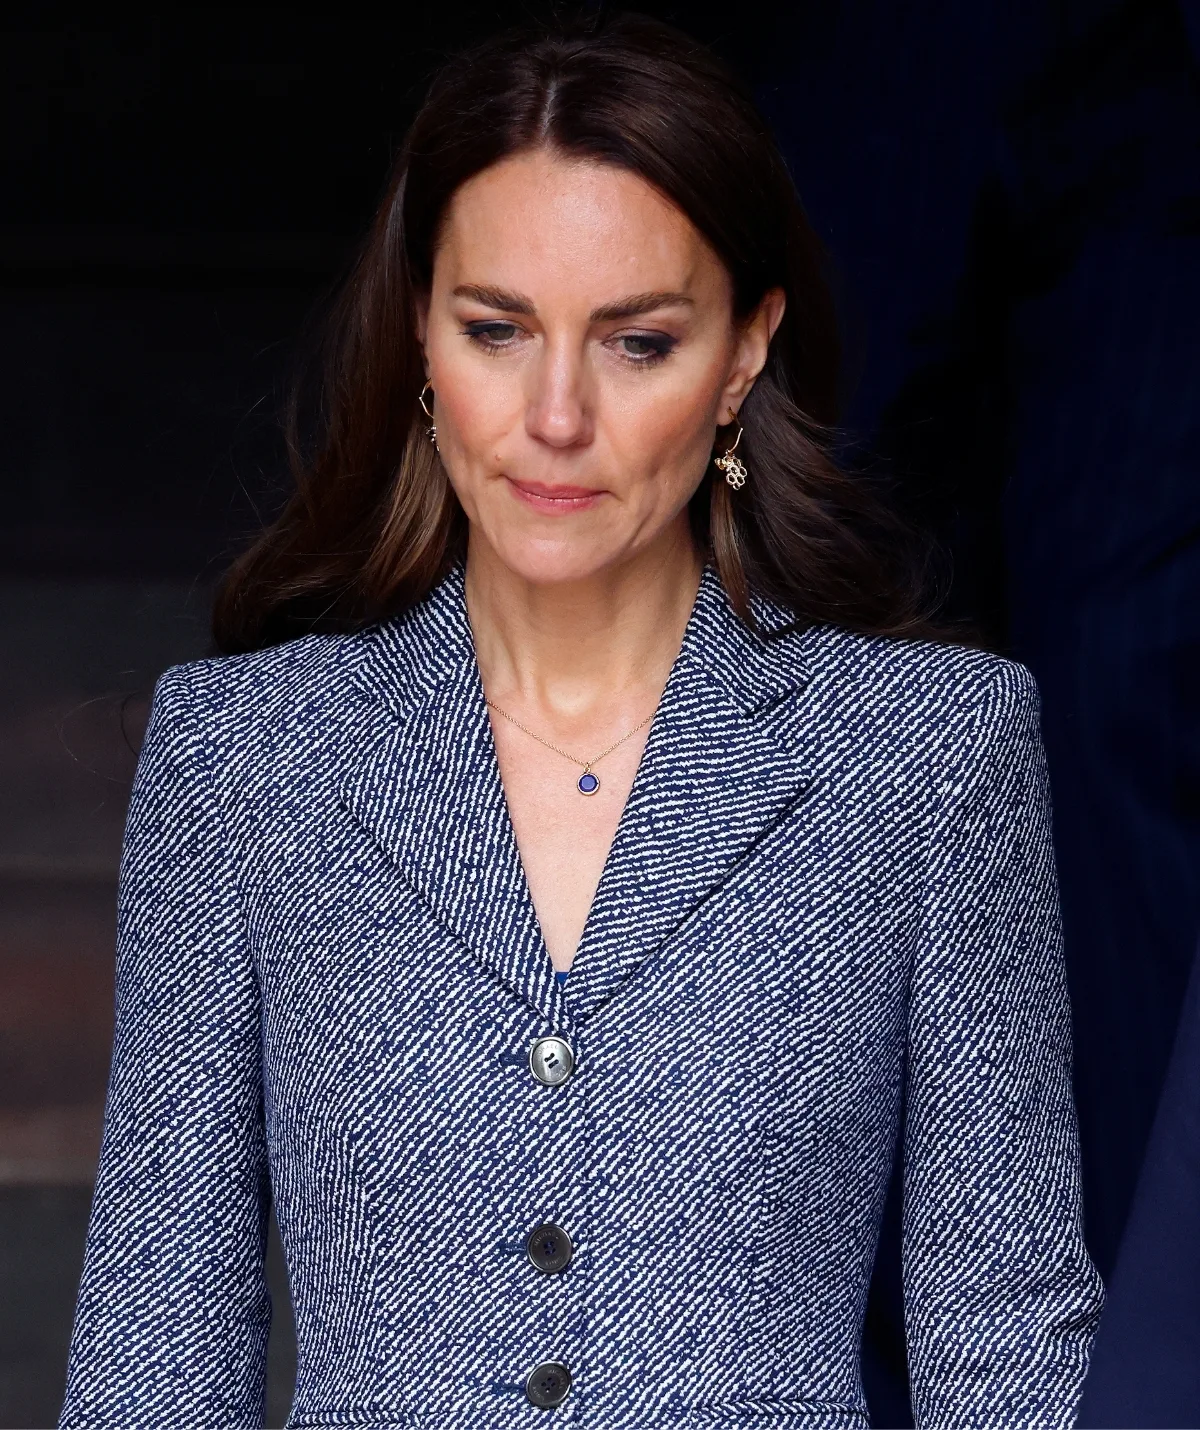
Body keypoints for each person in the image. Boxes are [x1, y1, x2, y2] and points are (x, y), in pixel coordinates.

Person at [60, 15, 1103, 1429]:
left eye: (638, 342)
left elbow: (1009, 1340)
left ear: (743, 356)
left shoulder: (929, 754)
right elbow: (152, 1355)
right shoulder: (247, 756)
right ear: (422, 333)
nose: (554, 415)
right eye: (496, 330)